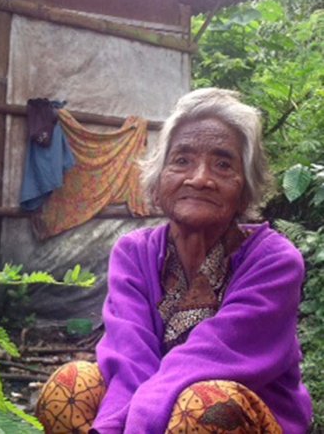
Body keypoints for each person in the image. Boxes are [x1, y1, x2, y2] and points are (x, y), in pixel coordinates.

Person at [35, 88, 312, 433]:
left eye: (223, 164)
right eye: (182, 160)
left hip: (243, 419)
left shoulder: (273, 262)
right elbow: (129, 356)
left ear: (245, 187)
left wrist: (136, 427)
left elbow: (209, 359)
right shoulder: (135, 253)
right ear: (158, 179)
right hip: (150, 415)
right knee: (71, 385)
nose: (199, 178)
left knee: (204, 405)